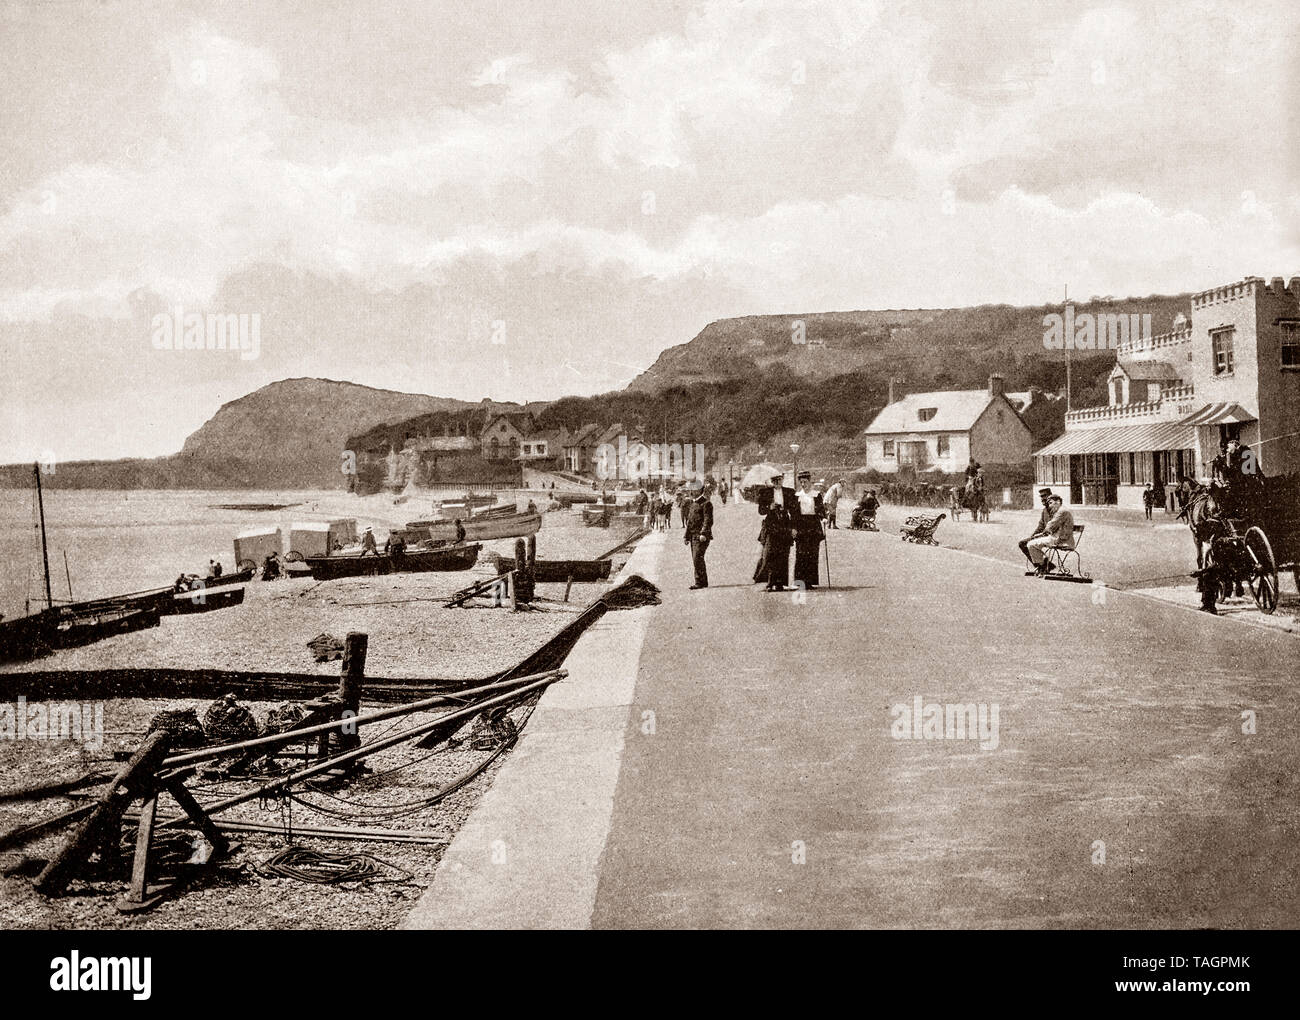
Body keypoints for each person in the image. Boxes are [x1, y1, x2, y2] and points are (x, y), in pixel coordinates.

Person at [756, 471, 795, 588]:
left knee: (783, 553)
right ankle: (770, 581)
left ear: (782, 480)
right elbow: (761, 511)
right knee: (769, 553)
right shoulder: (765, 492)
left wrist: (793, 526)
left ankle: (780, 583)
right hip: (771, 525)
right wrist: (770, 507)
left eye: (779, 480)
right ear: (771, 481)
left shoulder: (789, 492)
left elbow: (794, 511)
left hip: (784, 525)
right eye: (774, 481)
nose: (777, 483)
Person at [791, 470, 825, 589]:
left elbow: (821, 510)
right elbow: (794, 514)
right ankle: (800, 582)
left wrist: (824, 518)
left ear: (810, 481)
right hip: (801, 526)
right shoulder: (797, 496)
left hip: (813, 525)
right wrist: (794, 528)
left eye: (805, 482)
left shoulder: (816, 494)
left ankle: (809, 582)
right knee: (801, 554)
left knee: (812, 554)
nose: (803, 484)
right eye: (801, 482)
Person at [1025, 495, 1074, 574]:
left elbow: (1051, 525)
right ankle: (1044, 564)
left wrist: (1042, 533)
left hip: (1061, 540)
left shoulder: (1062, 511)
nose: (1050, 506)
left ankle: (1043, 565)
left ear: (1058, 502)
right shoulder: (1061, 510)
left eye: (1051, 503)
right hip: (1058, 538)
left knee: (1031, 544)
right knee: (1033, 543)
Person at [683, 480, 713, 589]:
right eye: (691, 489)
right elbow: (690, 522)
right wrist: (686, 536)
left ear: (700, 490)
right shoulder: (692, 504)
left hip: (702, 537)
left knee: (697, 558)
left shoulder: (706, 503)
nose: (692, 491)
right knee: (696, 559)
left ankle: (699, 582)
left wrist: (703, 533)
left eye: (694, 489)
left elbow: (708, 520)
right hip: (693, 536)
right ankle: (701, 582)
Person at [1018, 488, 1055, 566]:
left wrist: (1041, 535)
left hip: (1054, 538)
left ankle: (1043, 565)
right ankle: (1041, 565)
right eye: (1041, 497)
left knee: (1030, 544)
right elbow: (1040, 526)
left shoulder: (1056, 509)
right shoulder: (1045, 511)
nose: (1043, 499)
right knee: (1022, 543)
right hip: (1045, 536)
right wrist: (1032, 536)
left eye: (1045, 496)